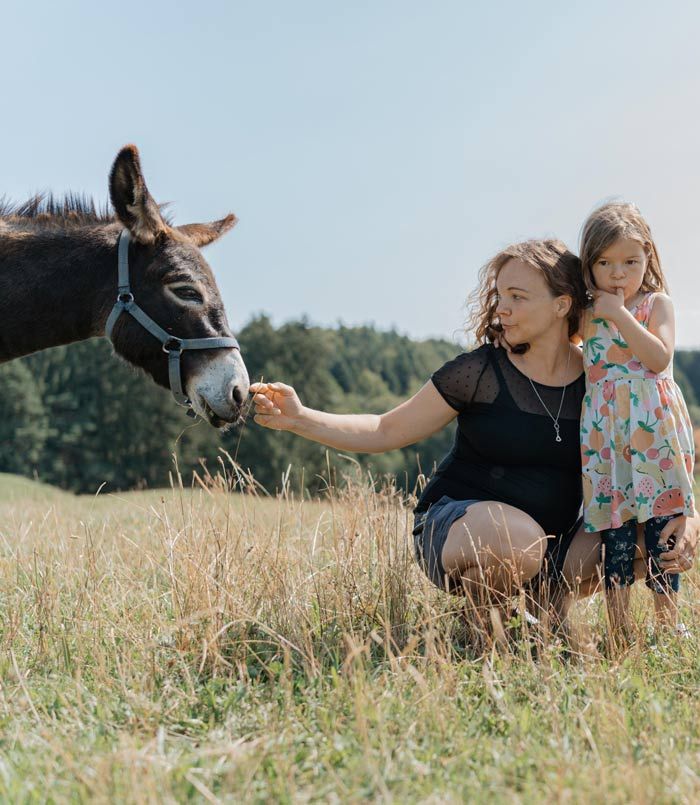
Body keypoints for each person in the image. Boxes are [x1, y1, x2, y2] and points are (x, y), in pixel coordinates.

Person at [250, 239, 698, 635]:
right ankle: (489, 620)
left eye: (518, 297)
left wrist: (689, 517)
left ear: (562, 305)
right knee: (516, 539)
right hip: (461, 528)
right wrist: (300, 418)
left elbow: (650, 453)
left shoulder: (600, 380)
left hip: (555, 549)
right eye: (500, 296)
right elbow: (386, 428)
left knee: (659, 535)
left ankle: (544, 604)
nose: (502, 308)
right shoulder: (478, 372)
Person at [578, 202, 695, 635]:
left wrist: (622, 313)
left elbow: (658, 356)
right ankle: (620, 630)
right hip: (608, 442)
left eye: (630, 261)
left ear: (648, 256)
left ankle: (668, 628)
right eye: (604, 263)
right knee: (617, 536)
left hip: (655, 436)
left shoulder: (654, 304)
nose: (618, 273)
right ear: (589, 265)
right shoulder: (586, 316)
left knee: (664, 526)